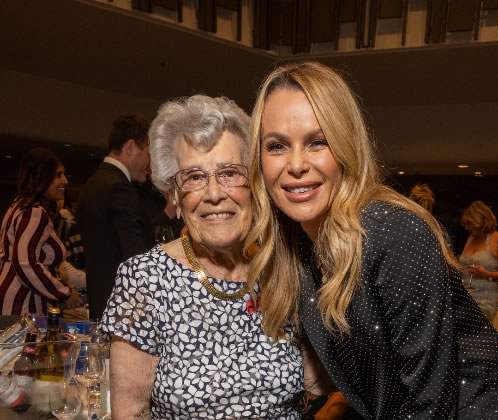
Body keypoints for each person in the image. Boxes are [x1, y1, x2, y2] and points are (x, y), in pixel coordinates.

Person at [246, 61, 498, 419]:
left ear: (345, 148)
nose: (295, 164)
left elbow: (430, 403)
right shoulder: (300, 246)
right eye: (276, 146)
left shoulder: (394, 233)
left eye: (317, 142)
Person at [100, 95, 303, 419]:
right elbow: (131, 413)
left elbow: (320, 381)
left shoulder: (282, 269)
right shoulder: (145, 280)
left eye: (230, 173)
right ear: (175, 196)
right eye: (194, 177)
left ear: (254, 185)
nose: (213, 194)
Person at [78, 113, 170, 320]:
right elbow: (136, 257)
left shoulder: (93, 184)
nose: (149, 163)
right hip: (124, 308)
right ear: (130, 147)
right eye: (147, 152)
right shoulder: (120, 188)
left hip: (100, 301)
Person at [0, 148, 83, 315]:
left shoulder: (18, 205)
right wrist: (64, 293)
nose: (65, 181)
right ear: (42, 177)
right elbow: (26, 263)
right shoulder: (33, 211)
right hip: (23, 306)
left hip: (16, 299)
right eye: (58, 175)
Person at [459, 200, 498, 320]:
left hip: (485, 299)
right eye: (465, 224)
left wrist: (487, 275)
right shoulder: (470, 239)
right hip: (464, 297)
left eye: (469, 224)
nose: (466, 228)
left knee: (473, 330)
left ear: (480, 221)